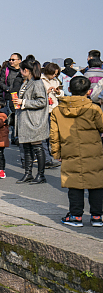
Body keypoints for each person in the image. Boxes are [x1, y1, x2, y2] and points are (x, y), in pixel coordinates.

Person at [51, 76, 103, 227]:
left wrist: (56, 153)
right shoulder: (94, 108)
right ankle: (97, 216)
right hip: (93, 149)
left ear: (69, 89)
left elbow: (54, 134)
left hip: (69, 148)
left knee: (73, 182)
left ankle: (75, 216)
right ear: (88, 91)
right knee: (96, 182)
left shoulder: (57, 110)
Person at [13, 59, 49, 185]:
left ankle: (40, 174)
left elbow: (42, 101)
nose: (20, 72)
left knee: (37, 147)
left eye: (21, 69)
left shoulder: (37, 83)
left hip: (34, 120)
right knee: (27, 147)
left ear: (26, 70)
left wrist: (24, 102)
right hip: (26, 119)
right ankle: (28, 173)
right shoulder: (27, 82)